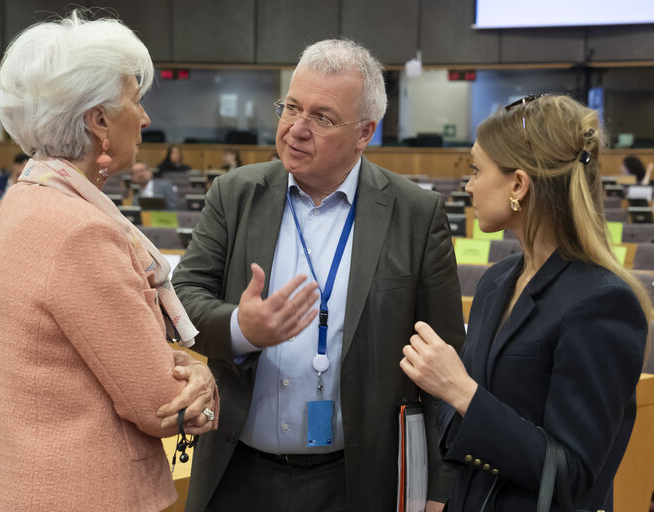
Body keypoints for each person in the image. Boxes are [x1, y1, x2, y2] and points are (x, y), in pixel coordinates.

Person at [171, 39, 465, 512]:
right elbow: (182, 297)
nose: (296, 129)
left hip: (358, 481)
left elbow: (444, 359)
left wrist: (438, 490)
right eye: (291, 107)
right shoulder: (234, 194)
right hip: (238, 474)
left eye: (322, 118)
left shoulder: (415, 214)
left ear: (365, 132)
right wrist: (240, 329)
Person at [0, 11, 218, 512]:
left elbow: (100, 351)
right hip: (83, 492)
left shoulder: (28, 198)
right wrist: (202, 378)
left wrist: (169, 362)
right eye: (135, 100)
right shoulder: (80, 231)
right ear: (99, 120)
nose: (146, 117)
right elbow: (157, 403)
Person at [400, 94, 651, 511]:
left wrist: (461, 392)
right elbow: (465, 419)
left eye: (477, 170)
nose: (468, 185)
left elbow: (572, 475)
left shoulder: (603, 302)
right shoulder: (497, 281)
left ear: (518, 185)